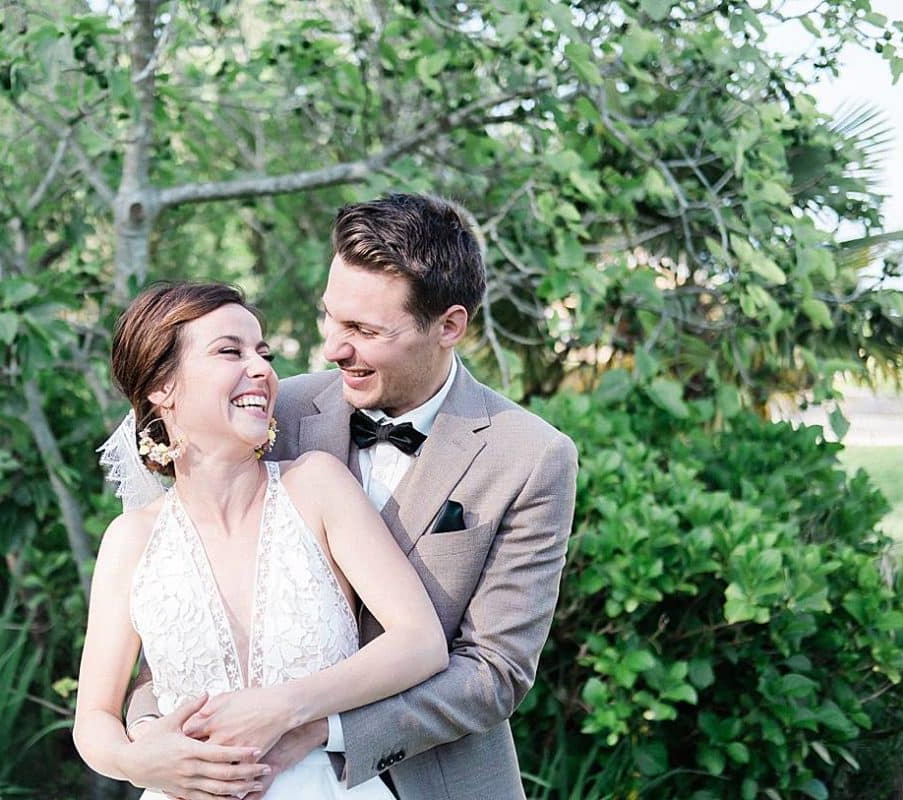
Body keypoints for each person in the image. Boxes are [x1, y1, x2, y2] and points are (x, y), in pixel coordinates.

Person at [125, 193, 579, 800]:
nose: (334, 349)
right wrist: (151, 739)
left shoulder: (529, 456)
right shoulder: (270, 409)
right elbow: (181, 606)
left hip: (436, 784)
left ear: (449, 326)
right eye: (331, 319)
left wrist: (316, 726)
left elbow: (493, 672)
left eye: (363, 330)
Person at [72, 281, 449, 800]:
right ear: (162, 385)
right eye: (231, 351)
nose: (262, 369)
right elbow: (93, 717)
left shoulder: (316, 487)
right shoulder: (130, 540)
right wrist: (140, 760)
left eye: (263, 353)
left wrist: (286, 706)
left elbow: (421, 642)